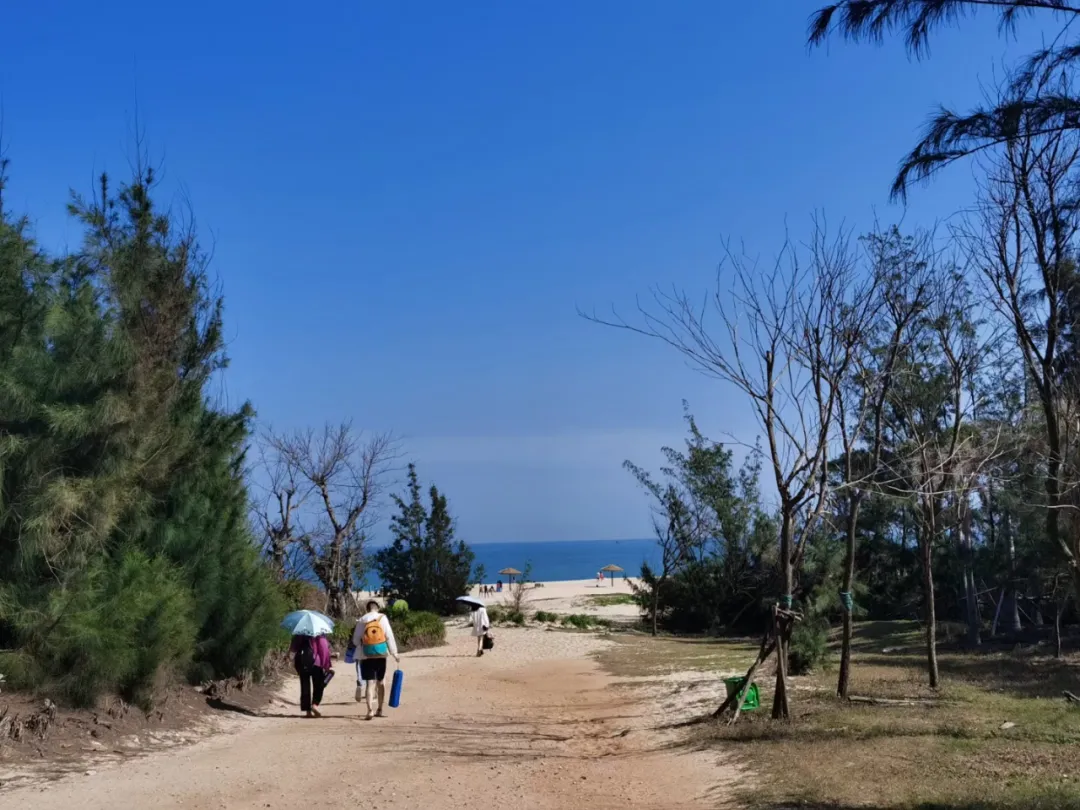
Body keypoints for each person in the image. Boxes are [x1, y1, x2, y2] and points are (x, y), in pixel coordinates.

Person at [352, 600, 400, 720]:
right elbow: (389, 636)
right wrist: (394, 653)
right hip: (381, 655)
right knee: (380, 682)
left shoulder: (362, 619)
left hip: (367, 655)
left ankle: (369, 710)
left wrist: (363, 644)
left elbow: (355, 640)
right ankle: (380, 709)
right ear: (377, 608)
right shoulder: (382, 618)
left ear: (367, 608)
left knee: (370, 683)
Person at [290, 633, 332, 718]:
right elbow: (324, 650)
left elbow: (293, 648)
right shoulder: (319, 634)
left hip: (302, 663)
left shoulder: (299, 634)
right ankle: (314, 705)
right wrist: (326, 665)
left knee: (305, 686)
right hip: (316, 663)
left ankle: (308, 711)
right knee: (319, 686)